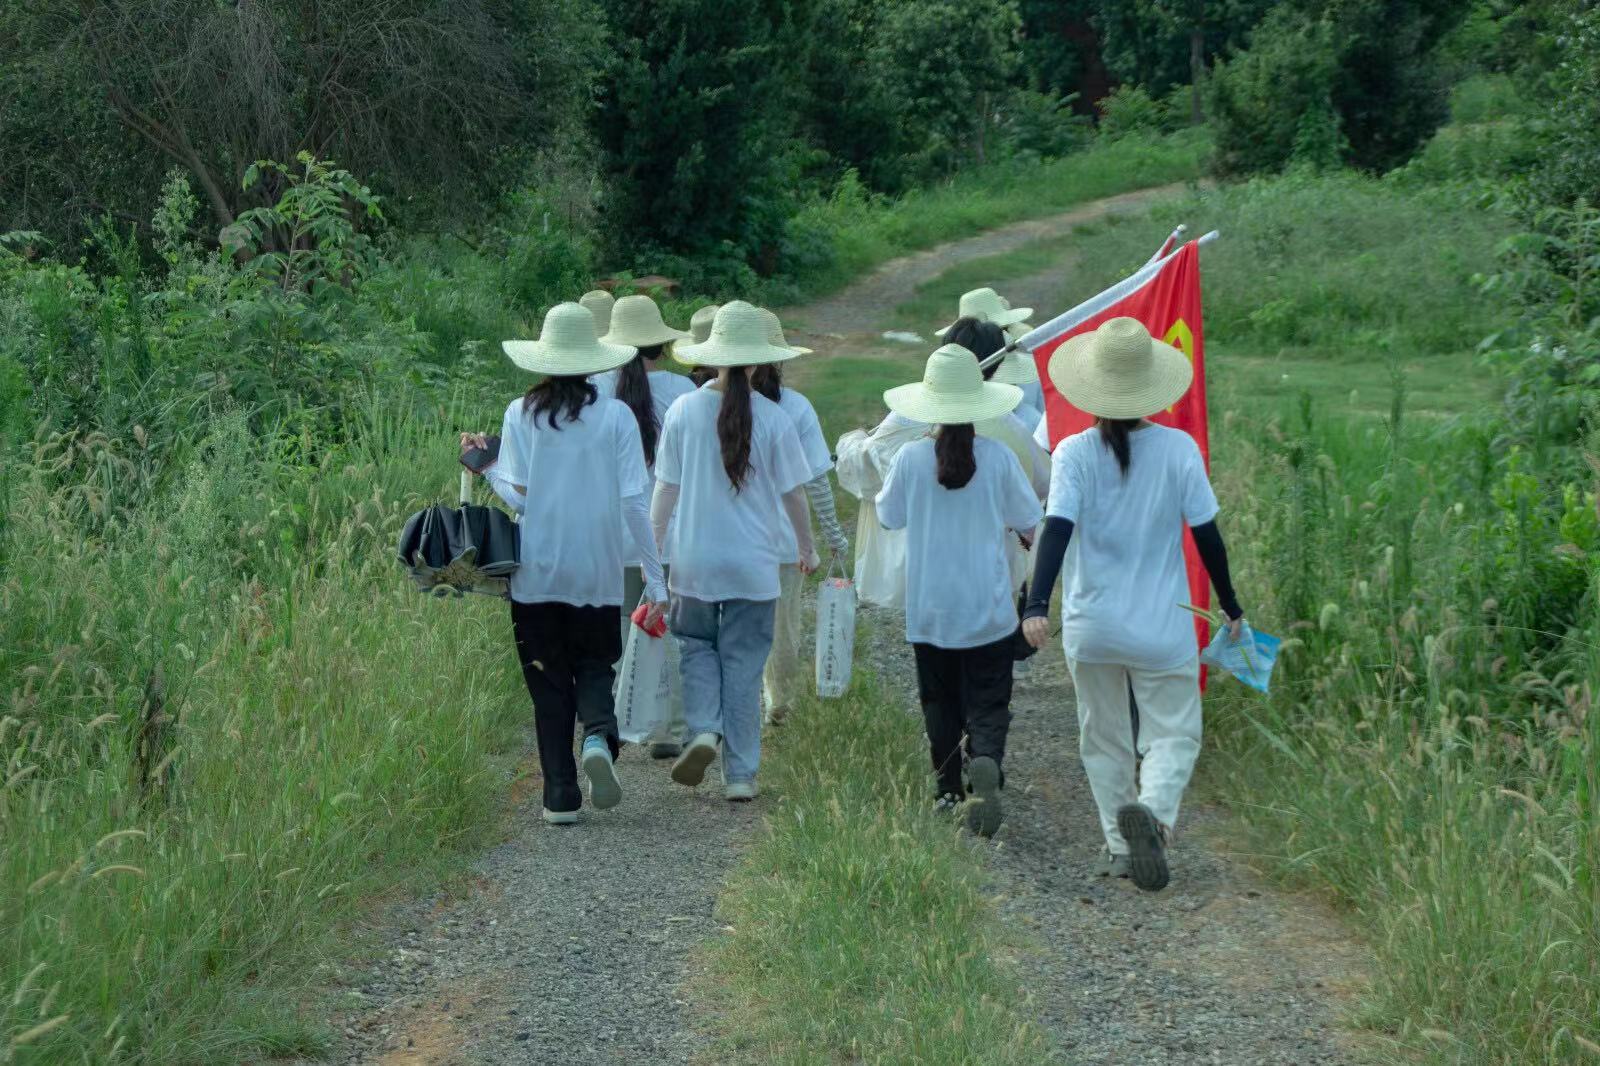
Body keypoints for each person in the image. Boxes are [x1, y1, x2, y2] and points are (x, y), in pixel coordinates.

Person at [1022, 317, 1245, 892]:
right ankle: (1155, 814)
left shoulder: (1073, 452)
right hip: (1161, 628)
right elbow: (1208, 535)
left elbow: (1056, 529)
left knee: (1103, 737)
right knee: (1172, 733)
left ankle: (1121, 847)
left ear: (1092, 388)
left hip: (1092, 625)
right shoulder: (1178, 449)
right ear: (1150, 388)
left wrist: (1036, 604)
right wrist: (1231, 605)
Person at [469, 302, 667, 825]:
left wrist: (486, 468)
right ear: (592, 360)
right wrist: (655, 577)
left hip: (536, 572)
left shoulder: (520, 413)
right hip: (597, 570)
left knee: (549, 685)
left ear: (544, 358)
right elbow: (634, 503)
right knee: (595, 664)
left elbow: (521, 497)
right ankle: (598, 737)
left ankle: (560, 796)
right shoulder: (617, 417)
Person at [650, 301, 818, 801]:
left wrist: (652, 552)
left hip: (694, 562)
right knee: (744, 664)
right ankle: (740, 774)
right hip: (753, 566)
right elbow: (795, 495)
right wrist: (806, 548)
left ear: (711, 357)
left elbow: (665, 491)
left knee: (696, 647)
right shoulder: (776, 418)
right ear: (760, 361)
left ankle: (704, 727)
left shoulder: (683, 411)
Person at [875, 344, 1043, 836]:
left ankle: (948, 788)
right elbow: (1029, 519)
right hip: (988, 606)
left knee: (939, 701)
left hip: (930, 609)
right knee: (988, 698)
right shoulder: (998, 457)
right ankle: (985, 757)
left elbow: (889, 517)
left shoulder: (909, 458)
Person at [835, 317, 1047, 612]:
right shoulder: (1007, 435)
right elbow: (1039, 486)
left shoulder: (908, 442)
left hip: (929, 590)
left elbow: (876, 478)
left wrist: (851, 442)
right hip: (992, 580)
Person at [591, 294, 697, 758]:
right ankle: (669, 730)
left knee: (620, 628)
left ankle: (617, 720)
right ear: (660, 344)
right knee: (669, 627)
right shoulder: (683, 391)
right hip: (672, 531)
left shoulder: (596, 390)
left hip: (614, 533)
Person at [750, 307, 850, 724]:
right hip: (784, 540)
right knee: (783, 626)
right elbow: (816, 482)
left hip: (729, 539)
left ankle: (738, 703)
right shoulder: (794, 408)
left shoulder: (706, 406)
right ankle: (778, 701)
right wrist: (833, 536)